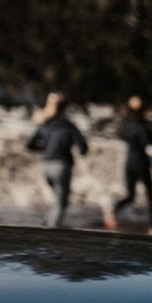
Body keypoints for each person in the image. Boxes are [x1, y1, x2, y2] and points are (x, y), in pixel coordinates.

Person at [25, 92, 89, 228]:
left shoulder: (45, 125)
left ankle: (45, 223)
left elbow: (29, 145)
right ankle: (50, 233)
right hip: (62, 167)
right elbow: (83, 147)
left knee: (60, 203)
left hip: (46, 167)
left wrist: (45, 148)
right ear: (65, 108)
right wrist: (80, 151)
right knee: (61, 204)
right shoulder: (69, 126)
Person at [103, 95, 152, 232]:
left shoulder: (125, 124)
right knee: (150, 195)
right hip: (142, 162)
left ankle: (114, 209)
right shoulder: (142, 125)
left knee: (130, 195)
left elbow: (121, 134)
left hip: (130, 162)